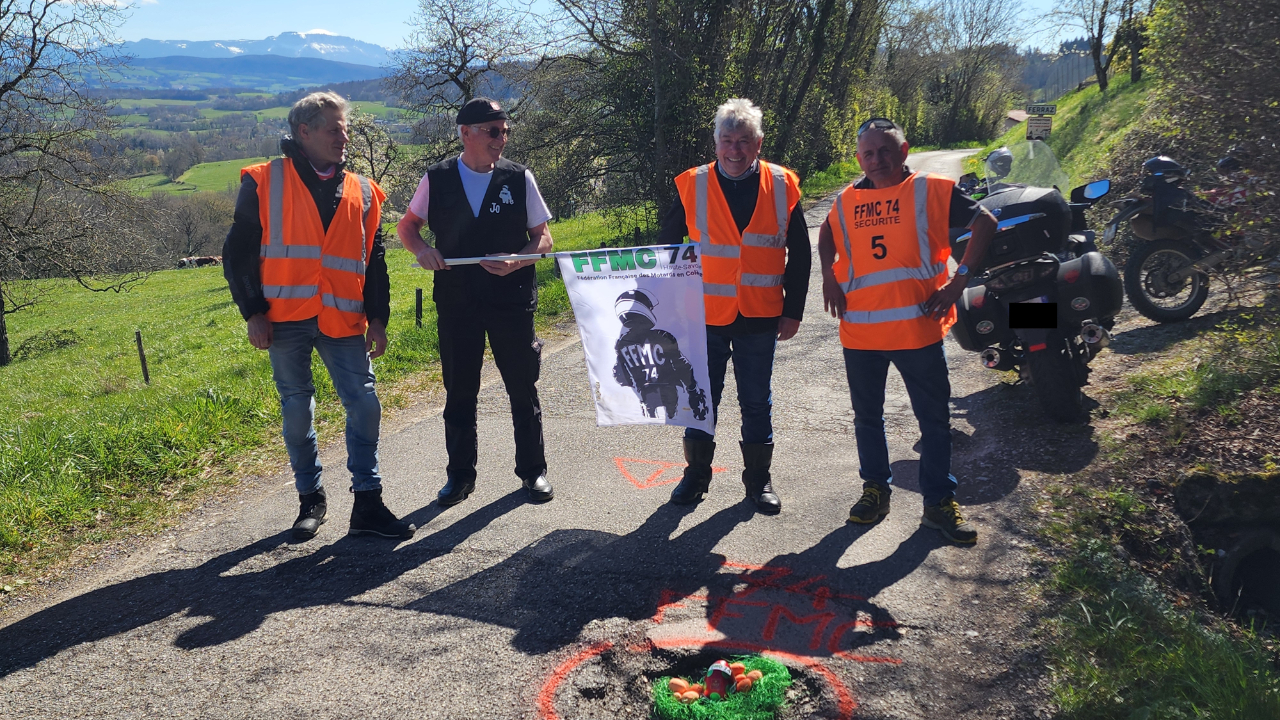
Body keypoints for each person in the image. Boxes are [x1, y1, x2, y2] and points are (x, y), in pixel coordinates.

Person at [223, 91, 415, 541]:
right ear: (303, 132)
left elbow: (374, 258)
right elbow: (238, 253)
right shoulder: (263, 181)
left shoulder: (364, 191)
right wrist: (252, 312)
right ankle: (311, 499)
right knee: (296, 411)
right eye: (334, 128)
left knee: (365, 403)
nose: (343, 136)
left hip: (344, 318)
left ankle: (367, 502)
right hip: (283, 316)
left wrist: (380, 318)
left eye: (345, 128)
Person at [817, 117, 996, 544]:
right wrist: (827, 276)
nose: (876, 160)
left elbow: (985, 222)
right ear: (858, 157)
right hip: (861, 335)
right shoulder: (844, 201)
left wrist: (958, 282)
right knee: (867, 419)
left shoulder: (931, 190)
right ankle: (875, 490)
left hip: (918, 332)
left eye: (885, 151)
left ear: (904, 150)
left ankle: (938, 503)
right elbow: (824, 235)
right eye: (868, 153)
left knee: (934, 423)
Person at [396, 97, 555, 506]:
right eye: (493, 131)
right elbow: (408, 227)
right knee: (460, 391)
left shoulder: (519, 178)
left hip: (512, 298)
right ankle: (460, 476)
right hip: (457, 300)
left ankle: (533, 471)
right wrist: (421, 251)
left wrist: (519, 260)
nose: (501, 139)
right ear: (465, 133)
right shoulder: (437, 178)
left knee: (522, 387)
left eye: (505, 131)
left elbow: (543, 239)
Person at [657, 98, 811, 515]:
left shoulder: (783, 184)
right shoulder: (691, 184)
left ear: (758, 143)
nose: (736, 149)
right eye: (728, 140)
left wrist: (793, 309)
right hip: (704, 317)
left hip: (760, 315)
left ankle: (758, 483)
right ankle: (695, 477)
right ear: (716, 142)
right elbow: (667, 251)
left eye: (744, 141)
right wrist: (667, 309)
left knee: (756, 400)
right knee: (700, 396)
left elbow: (800, 252)